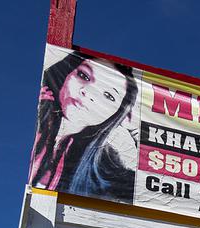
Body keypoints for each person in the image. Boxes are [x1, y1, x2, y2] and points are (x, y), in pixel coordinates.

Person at [29, 50, 139, 201]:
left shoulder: (104, 167)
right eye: (84, 76)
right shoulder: (29, 124)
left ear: (117, 113)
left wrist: (136, 131)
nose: (88, 93)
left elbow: (149, 192)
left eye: (109, 96)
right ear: (67, 74)